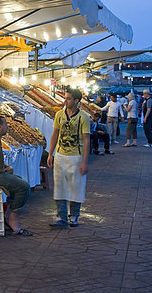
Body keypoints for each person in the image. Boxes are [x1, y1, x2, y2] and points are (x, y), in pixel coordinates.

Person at [47, 88, 90, 228]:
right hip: (60, 155)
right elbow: (55, 134)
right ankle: (61, 217)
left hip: (76, 157)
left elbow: (86, 140)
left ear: (76, 101)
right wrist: (50, 153)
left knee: (76, 187)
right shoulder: (59, 114)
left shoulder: (83, 117)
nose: (65, 101)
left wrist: (84, 162)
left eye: (68, 99)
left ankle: (74, 216)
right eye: (65, 98)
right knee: (59, 187)